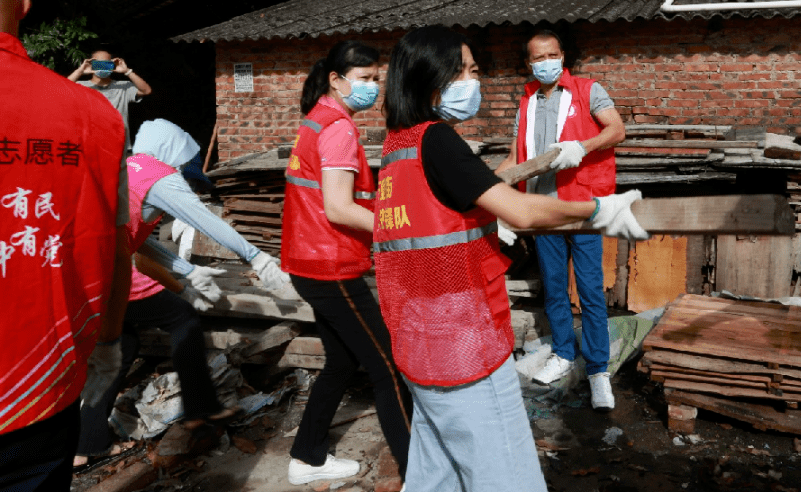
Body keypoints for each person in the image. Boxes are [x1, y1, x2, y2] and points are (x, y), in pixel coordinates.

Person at [374, 25, 648, 492]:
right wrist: (602, 208)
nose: (474, 83)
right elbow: (519, 209)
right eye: (470, 72)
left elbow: (459, 200)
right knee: (506, 475)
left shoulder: (396, 147)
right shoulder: (437, 140)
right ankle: (566, 355)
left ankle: (595, 366)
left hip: (419, 340)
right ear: (436, 78)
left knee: (436, 472)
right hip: (466, 345)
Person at [75, 119, 299, 466]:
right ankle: (199, 410)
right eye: (182, 164)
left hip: (85, 271)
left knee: (123, 344)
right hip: (106, 271)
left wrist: (189, 270)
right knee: (183, 319)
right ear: (173, 154)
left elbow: (138, 243)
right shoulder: (159, 174)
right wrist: (255, 256)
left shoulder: (128, 167)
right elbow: (205, 220)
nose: (181, 172)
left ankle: (86, 442)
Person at [0, 0, 132, 491]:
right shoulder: (91, 116)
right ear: (25, 0)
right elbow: (113, 242)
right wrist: (107, 342)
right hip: (37, 393)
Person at [280, 41, 412, 487]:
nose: (373, 87)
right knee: (387, 367)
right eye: (365, 78)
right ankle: (420, 473)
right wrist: (398, 227)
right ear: (337, 80)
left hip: (308, 261)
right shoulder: (338, 129)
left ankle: (306, 457)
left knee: (340, 361)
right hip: (330, 266)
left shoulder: (316, 118)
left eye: (377, 78)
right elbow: (338, 208)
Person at [494, 29, 626, 409]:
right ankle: (564, 356)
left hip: (581, 207)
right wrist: (491, 188)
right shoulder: (526, 103)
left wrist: (580, 147)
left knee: (589, 289)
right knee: (553, 287)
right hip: (542, 210)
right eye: (538, 57)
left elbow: (617, 130)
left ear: (562, 56)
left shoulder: (587, 90)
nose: (546, 61)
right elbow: (515, 157)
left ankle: (599, 370)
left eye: (552, 54)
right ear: (529, 63)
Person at [68, 49, 152, 152]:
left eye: (106, 63)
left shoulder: (123, 86)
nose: (102, 67)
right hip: (88, 145)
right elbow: (60, 91)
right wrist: (80, 71)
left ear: (112, 64)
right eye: (98, 64)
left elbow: (146, 90)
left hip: (117, 145)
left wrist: (127, 71)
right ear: (91, 64)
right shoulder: (80, 86)